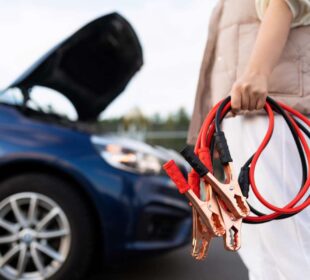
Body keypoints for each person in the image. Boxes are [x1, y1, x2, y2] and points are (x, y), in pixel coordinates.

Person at [188, 1, 310, 279]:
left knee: (292, 249)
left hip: (273, 114)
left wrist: (257, 71)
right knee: (261, 255)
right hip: (243, 116)